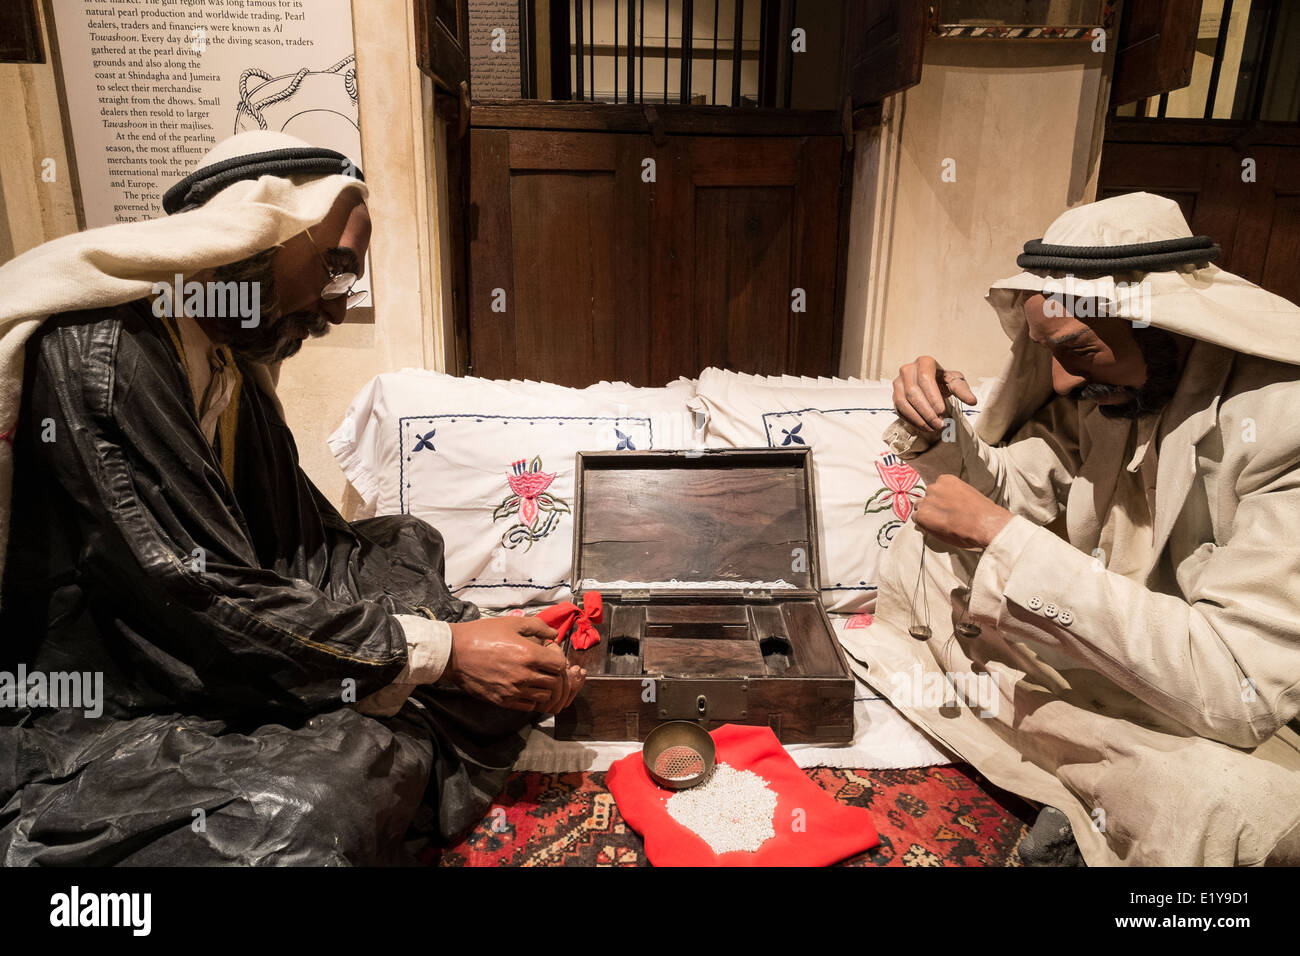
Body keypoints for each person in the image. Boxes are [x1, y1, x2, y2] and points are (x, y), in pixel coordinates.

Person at [0, 131, 584, 865]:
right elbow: (196, 592)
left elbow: (313, 547)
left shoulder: (226, 368)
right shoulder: (105, 352)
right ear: (251, 237)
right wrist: (442, 652)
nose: (336, 311)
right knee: (309, 812)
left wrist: (476, 630)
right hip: (107, 705)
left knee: (404, 547)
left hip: (213, 656)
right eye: (334, 271)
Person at [839, 192, 1300, 866]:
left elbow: (1236, 690)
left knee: (1222, 803)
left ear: (1165, 325)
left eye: (1078, 349)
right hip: (1109, 659)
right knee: (927, 552)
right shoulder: (1108, 391)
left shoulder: (1281, 427)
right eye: (1049, 352)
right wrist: (937, 426)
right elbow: (1005, 492)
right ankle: (1078, 765)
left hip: (1218, 706)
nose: (1058, 381)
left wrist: (1003, 542)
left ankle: (1068, 762)